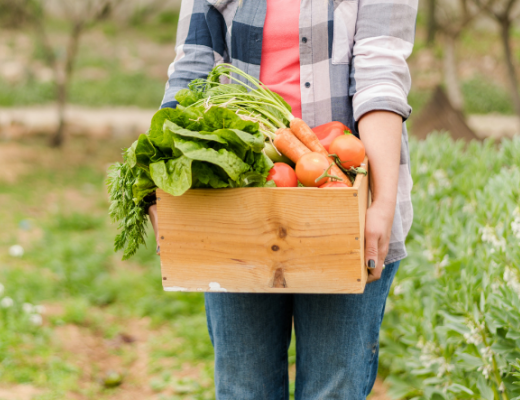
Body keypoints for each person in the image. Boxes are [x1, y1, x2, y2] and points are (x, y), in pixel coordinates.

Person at [148, 0, 417, 397]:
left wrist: (381, 203)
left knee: (334, 389)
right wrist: (161, 181)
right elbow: (192, 70)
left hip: (341, 194)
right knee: (244, 388)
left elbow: (381, 76)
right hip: (239, 200)